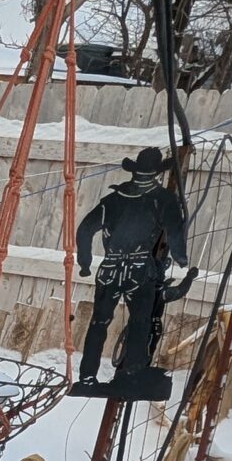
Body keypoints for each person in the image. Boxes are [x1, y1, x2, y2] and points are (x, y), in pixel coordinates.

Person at [74, 147, 189, 393]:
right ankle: (131, 376)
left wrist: (84, 262)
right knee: (140, 322)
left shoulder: (113, 200)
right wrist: (181, 257)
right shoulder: (163, 199)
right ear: (157, 173)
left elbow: (85, 229)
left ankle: (87, 378)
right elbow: (175, 230)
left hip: (110, 269)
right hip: (140, 269)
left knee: (99, 323)